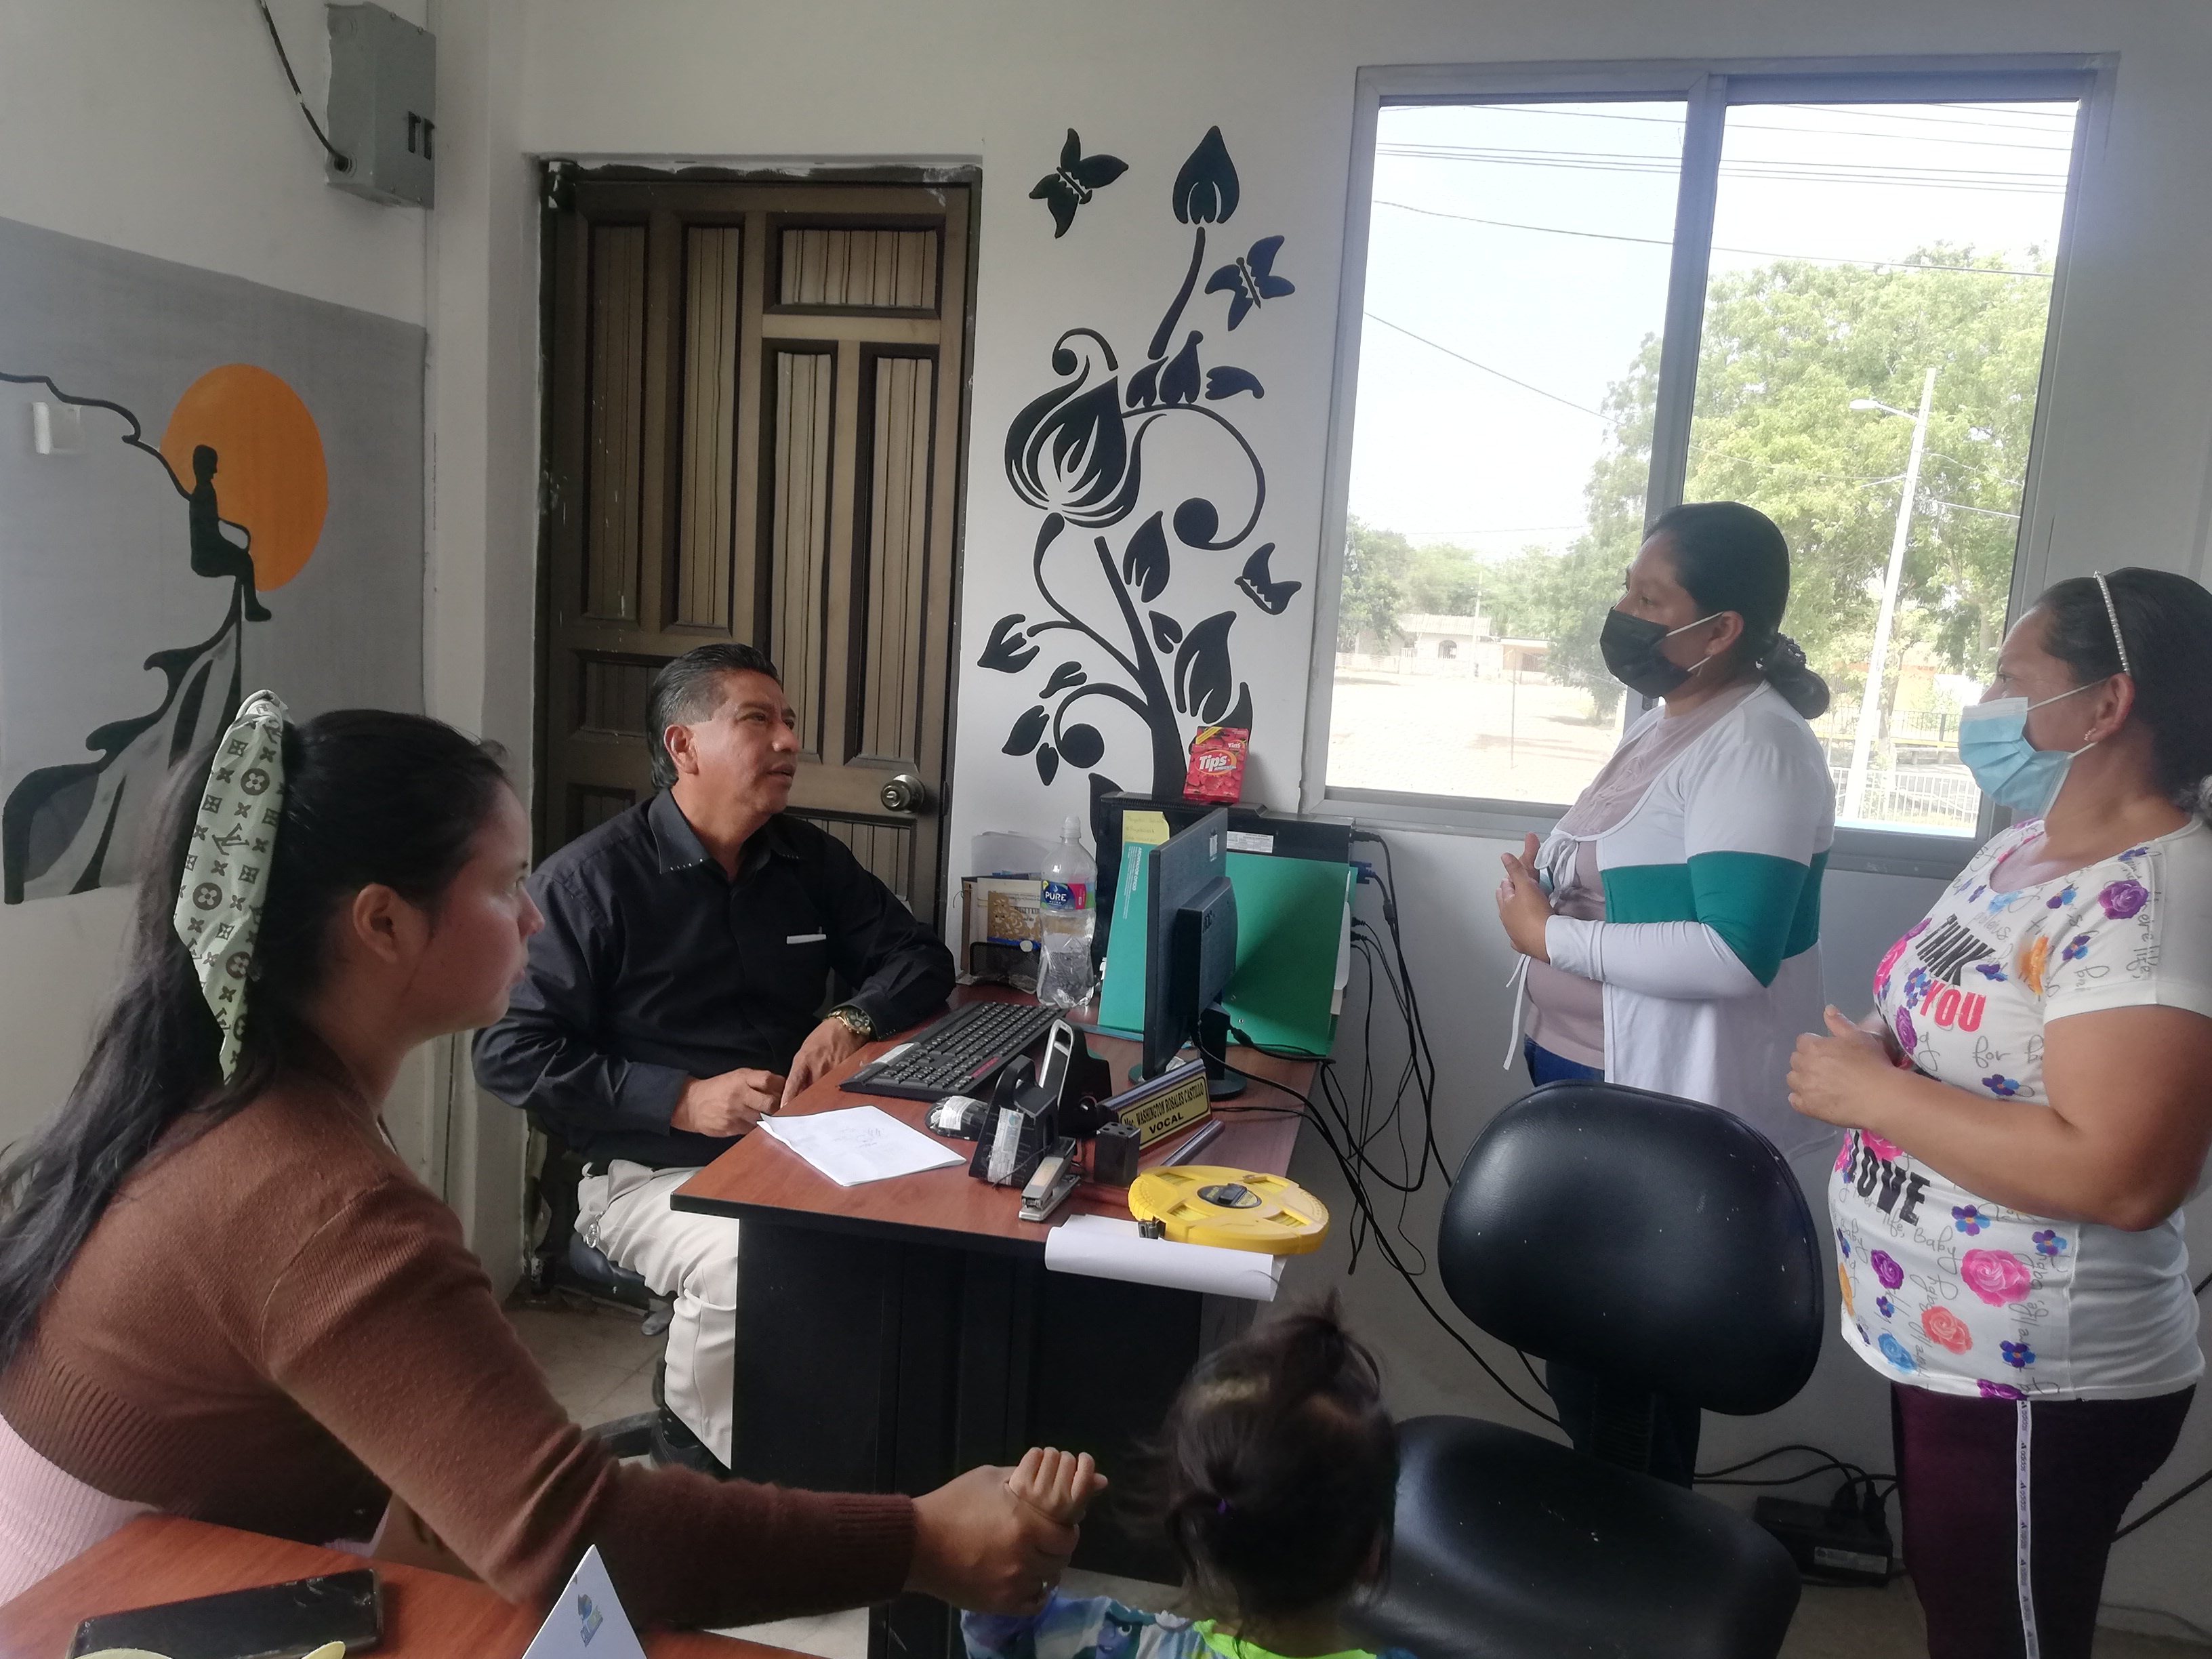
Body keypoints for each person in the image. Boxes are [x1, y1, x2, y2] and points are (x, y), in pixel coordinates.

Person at [0, 696, 1072, 1619]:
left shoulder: (228, 1099)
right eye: (503, 884)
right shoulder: (313, 1193)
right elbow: (570, 1533)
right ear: (382, 924)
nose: (530, 916)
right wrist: (921, 1540)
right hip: (104, 1612)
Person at [1788, 568, 2212, 1659]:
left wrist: (1875, 1093)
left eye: (2011, 679)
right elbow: (1962, 1027)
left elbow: (2123, 1174)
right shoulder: (2022, 847)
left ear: (2106, 704)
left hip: (2036, 1376)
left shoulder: (2155, 901)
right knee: (1965, 1615)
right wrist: (1880, 1053)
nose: (1984, 704)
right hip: (1943, 1343)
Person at [473, 642, 955, 1473]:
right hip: (643, 1172)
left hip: (797, 1146)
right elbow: (510, 1052)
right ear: (683, 746)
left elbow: (919, 958)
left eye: (789, 722)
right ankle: (703, 1472)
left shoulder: (805, 860)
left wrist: (851, 1017)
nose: (788, 742)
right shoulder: (589, 885)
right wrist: (680, 1098)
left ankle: (866, 1456)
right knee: (753, 1262)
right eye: (757, 721)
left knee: (930, 1220)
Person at [1492, 500, 1836, 1484]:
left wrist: (1549, 934)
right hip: (1592, 1083)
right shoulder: (1669, 722)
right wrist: (1548, 888)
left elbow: (1734, 952)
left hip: (1663, 1104)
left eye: (1651, 598)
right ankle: (1602, 1550)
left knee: (1628, 1387)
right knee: (1589, 1365)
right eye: (1628, 590)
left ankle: (1630, 1561)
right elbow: (1638, 884)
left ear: (1721, 630)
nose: (1625, 611)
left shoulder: (1761, 746)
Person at [962, 1301, 1416, 1659]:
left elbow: (1004, 1638)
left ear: (1192, 1522)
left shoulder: (1116, 1644)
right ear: (1371, 1554)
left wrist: (1026, 1537)